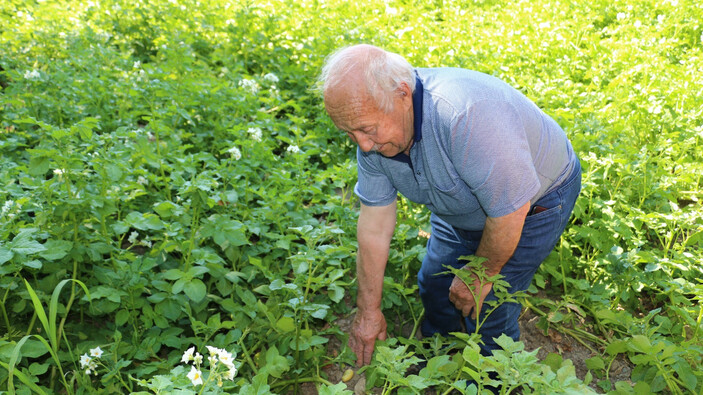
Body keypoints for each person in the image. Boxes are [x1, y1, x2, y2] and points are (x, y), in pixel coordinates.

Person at [318, 44, 581, 367]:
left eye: (368, 129)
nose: (363, 145)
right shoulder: (375, 140)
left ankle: (491, 381)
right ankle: (438, 362)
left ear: (402, 93)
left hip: (533, 203)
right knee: (436, 284)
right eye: (350, 133)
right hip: (461, 207)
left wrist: (480, 273)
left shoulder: (465, 116)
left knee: (489, 305)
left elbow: (510, 211)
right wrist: (368, 311)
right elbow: (374, 226)